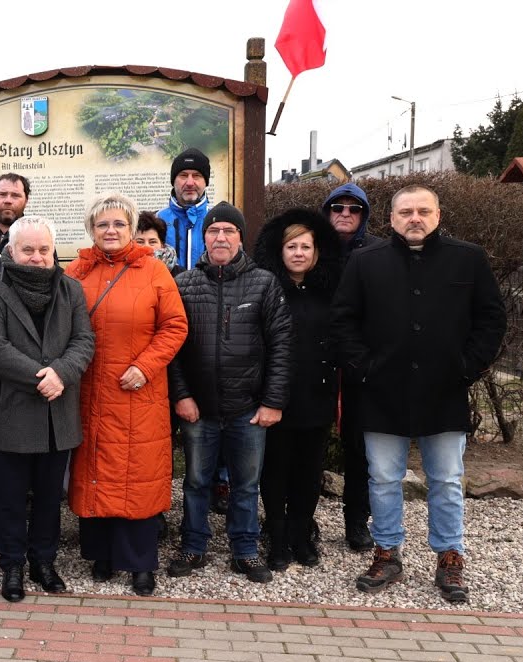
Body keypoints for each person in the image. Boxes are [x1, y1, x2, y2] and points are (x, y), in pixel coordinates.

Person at [331, 185, 505, 604]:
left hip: (444, 391)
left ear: (438, 215)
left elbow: (491, 319)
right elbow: (343, 322)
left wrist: (467, 367)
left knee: (446, 480)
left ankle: (449, 556)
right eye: (405, 211)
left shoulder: (468, 259)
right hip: (382, 392)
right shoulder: (364, 261)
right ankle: (387, 551)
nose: (415, 218)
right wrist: (365, 368)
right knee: (385, 479)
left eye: (423, 211)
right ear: (390, 219)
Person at [66, 194, 187, 597]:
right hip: (90, 392)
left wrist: (146, 366)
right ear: (91, 230)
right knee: (96, 472)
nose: (111, 231)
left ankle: (139, 563)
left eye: (118, 224)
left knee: (138, 477)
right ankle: (101, 554)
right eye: (103, 225)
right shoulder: (77, 272)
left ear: (131, 228)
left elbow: (174, 326)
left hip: (137, 391)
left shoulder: (153, 271)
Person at [167, 202, 292, 584]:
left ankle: (246, 549)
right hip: (199, 409)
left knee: (245, 485)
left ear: (241, 237)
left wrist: (273, 401)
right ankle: (193, 545)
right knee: (196, 482)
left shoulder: (264, 283)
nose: (221, 237)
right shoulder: (184, 283)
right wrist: (181, 396)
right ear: (203, 237)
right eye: (214, 231)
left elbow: (281, 345)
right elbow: (171, 349)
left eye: (229, 231)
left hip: (247, 408)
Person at [0, 216, 94, 602]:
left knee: (48, 497)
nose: (38, 257)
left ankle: (44, 561)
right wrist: (41, 376)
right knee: (9, 497)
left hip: (58, 413)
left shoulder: (71, 290)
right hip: (14, 413)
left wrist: (60, 373)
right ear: (11, 251)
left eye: (44, 250)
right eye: (28, 249)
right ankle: (12, 565)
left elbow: (83, 341)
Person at [252, 210, 341, 570]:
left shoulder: (329, 292)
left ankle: (301, 534)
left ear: (316, 252)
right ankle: (276, 535)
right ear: (280, 250)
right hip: (276, 396)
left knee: (308, 470)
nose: (299, 253)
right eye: (292, 246)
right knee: (275, 470)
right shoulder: (267, 289)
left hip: (316, 393)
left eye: (306, 246)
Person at [321, 183, 384, 552]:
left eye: (353, 209)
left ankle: (357, 521)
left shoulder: (378, 252)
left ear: (364, 215)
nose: (345, 214)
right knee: (305, 443)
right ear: (326, 211)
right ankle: (299, 519)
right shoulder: (310, 246)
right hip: (317, 359)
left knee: (360, 448)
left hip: (359, 362)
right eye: (337, 207)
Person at [157, 147, 212, 272]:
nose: (190, 183)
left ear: (206, 182)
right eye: (183, 175)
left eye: (197, 176)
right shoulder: (157, 219)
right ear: (173, 181)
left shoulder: (218, 219)